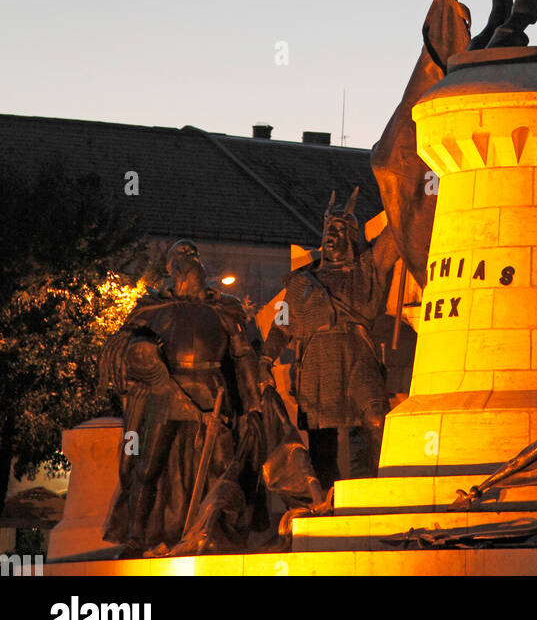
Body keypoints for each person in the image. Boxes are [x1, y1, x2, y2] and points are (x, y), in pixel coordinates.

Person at [101, 240, 265, 557]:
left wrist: (254, 403)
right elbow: (128, 349)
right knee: (149, 465)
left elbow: (244, 357)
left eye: (193, 255)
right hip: (166, 391)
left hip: (212, 387)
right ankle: (139, 534)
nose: (188, 259)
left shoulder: (225, 308)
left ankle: (218, 530)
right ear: (169, 267)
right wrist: (133, 351)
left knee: (220, 465)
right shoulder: (150, 309)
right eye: (180, 254)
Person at [261, 188, 398, 491]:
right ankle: (326, 501)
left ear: (350, 237)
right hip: (316, 362)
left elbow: (396, 233)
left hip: (356, 354)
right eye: (327, 230)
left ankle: (381, 490)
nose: (330, 236)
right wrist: (264, 359)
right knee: (322, 443)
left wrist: (403, 191)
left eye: (337, 230)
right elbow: (282, 325)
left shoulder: (367, 268)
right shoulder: (301, 282)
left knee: (377, 420)